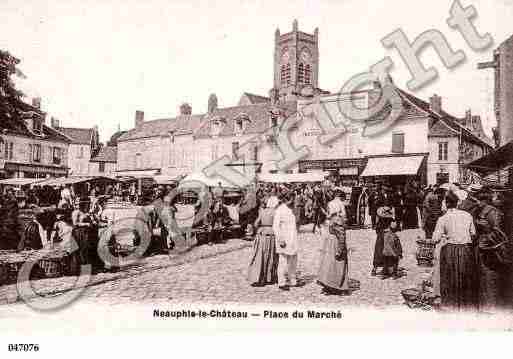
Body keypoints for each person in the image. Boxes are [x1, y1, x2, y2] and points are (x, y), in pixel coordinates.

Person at [432, 191, 478, 311]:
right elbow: (473, 234)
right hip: (466, 249)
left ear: (446, 204)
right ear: (457, 203)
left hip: (450, 250)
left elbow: (435, 239)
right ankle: (466, 304)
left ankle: (451, 304)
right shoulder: (468, 215)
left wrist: (445, 236)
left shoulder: (443, 218)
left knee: (449, 277)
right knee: (465, 276)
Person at [317, 212, 350, 295]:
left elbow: (342, 236)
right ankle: (329, 285)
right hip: (331, 246)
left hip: (336, 246)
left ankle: (340, 288)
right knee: (329, 266)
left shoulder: (337, 220)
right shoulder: (332, 218)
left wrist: (340, 250)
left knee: (338, 267)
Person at [273, 191, 299, 291]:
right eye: (292, 199)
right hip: (284, 239)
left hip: (292, 238)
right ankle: (281, 282)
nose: (293, 201)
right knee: (283, 261)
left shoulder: (291, 209)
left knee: (293, 260)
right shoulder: (280, 210)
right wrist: (280, 239)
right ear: (288, 199)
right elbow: (275, 226)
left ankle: (293, 280)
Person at [247, 202, 278, 286]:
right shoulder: (275, 212)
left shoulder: (262, 212)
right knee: (271, 255)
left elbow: (256, 223)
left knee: (260, 255)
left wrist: (261, 226)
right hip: (271, 234)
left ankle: (259, 277)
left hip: (262, 233)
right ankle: (270, 277)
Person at [371, 205, 394, 276]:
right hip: (388, 237)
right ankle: (388, 268)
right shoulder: (390, 220)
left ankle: (375, 268)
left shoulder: (380, 220)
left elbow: (377, 229)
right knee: (388, 252)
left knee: (378, 252)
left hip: (380, 237)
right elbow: (394, 228)